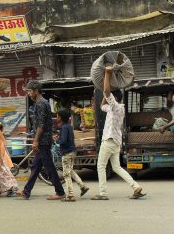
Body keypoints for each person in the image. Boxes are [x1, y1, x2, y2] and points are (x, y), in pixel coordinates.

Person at [92, 66, 144, 200]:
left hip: (109, 140)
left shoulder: (115, 107)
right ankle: (135, 186)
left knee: (101, 165)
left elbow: (107, 92)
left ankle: (103, 193)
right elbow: (102, 106)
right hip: (115, 141)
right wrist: (104, 86)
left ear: (114, 98)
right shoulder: (115, 109)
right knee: (116, 167)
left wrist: (107, 75)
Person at [17, 80, 65, 200]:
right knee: (36, 166)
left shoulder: (40, 104)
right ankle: (26, 191)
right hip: (44, 139)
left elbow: (41, 124)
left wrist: (36, 141)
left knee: (49, 167)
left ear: (36, 91)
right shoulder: (42, 103)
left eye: (29, 91)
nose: (28, 93)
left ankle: (60, 192)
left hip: (43, 141)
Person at [56, 109, 89, 201]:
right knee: (70, 171)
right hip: (72, 151)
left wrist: (56, 140)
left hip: (66, 153)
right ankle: (83, 186)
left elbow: (63, 141)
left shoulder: (63, 128)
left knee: (66, 174)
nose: (57, 118)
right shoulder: (69, 126)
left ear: (61, 118)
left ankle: (70, 195)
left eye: (58, 116)